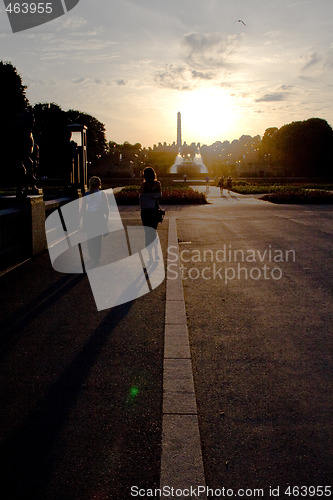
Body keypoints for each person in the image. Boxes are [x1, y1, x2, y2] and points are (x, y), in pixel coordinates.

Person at [83, 176, 110, 265]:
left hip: (89, 218)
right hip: (99, 217)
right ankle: (96, 258)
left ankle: (92, 254)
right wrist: (106, 219)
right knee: (98, 240)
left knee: (90, 238)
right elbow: (106, 208)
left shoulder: (86, 195)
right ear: (99, 184)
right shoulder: (102, 194)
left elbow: (83, 209)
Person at [139, 167, 162, 260]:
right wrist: (153, 196)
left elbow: (141, 197)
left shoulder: (143, 185)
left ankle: (150, 255)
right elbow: (159, 196)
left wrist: (147, 196)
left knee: (147, 233)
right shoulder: (157, 184)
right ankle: (156, 253)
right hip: (155, 210)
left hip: (145, 211)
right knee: (153, 232)